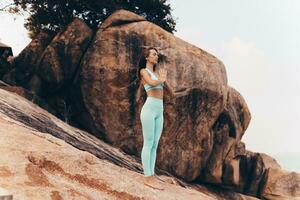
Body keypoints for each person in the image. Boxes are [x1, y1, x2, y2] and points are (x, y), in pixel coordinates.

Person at [138, 47, 167, 190]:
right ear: (147, 57)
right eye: (154, 54)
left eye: (157, 55)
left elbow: (161, 86)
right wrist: (161, 80)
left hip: (159, 110)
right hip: (149, 109)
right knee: (148, 143)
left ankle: (152, 175)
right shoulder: (144, 71)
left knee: (155, 144)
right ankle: (147, 177)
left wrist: (162, 79)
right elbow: (150, 83)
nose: (156, 57)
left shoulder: (157, 73)